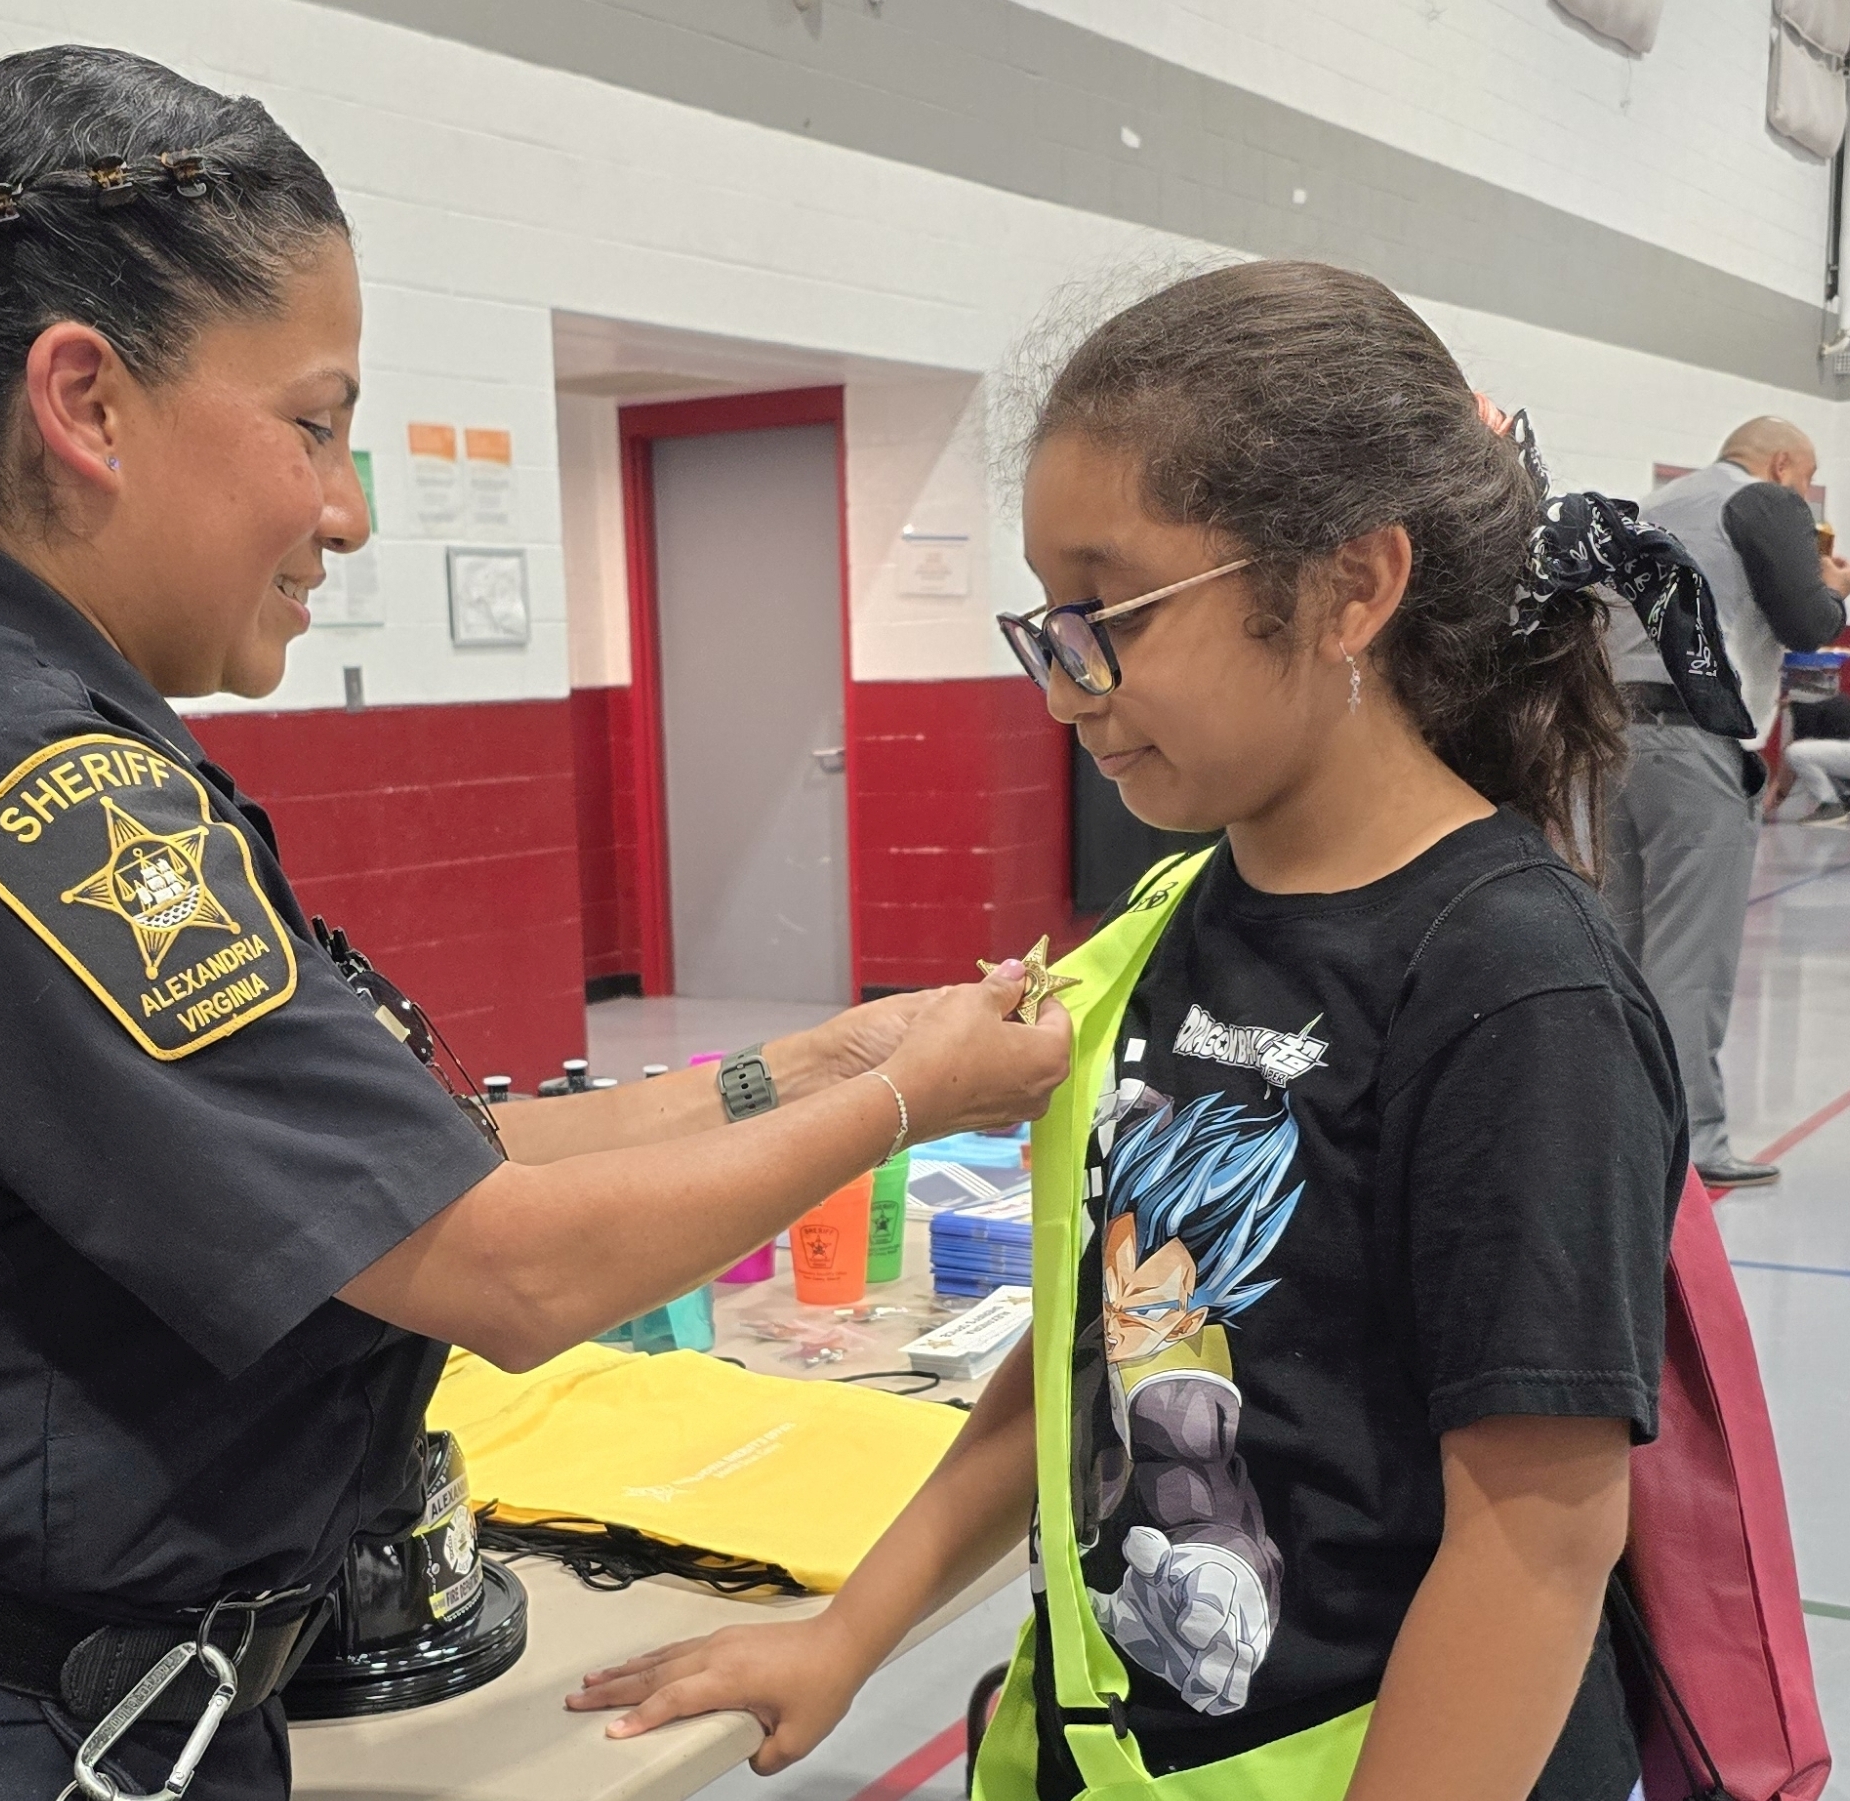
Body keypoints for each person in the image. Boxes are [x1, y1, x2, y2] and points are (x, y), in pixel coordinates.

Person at [0, 47, 1072, 1801]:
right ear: (84, 401)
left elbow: (446, 1167)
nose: (347, 508)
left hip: (78, 1698)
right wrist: (911, 1103)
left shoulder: (6, 716)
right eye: (311, 424)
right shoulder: (15, 789)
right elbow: (509, 1269)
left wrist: (827, 1057)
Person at [570, 262, 1691, 1801]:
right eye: (1047, 624)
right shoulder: (1179, 912)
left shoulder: (1513, 990)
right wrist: (852, 1632)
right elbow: (1088, 1351)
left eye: (1109, 615)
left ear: (1353, 588)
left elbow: (1541, 1544)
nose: (1064, 686)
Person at [1602, 417, 1850, 1188]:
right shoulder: (1764, 502)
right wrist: (1833, 590)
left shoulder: (1652, 506)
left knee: (1618, 949)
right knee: (1689, 958)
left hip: (1610, 739)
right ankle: (1692, 1144)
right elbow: (1806, 622)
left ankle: (1610, 1129)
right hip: (1696, 740)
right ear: (1783, 464)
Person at [1783, 688, 1850, 824]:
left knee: (1796, 753)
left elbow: (1792, 761)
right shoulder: (1829, 698)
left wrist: (1773, 800)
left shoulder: (1804, 704)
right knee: (1822, 760)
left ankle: (1831, 805)